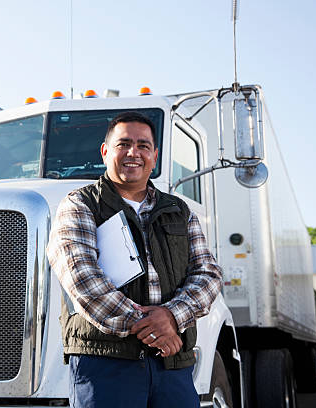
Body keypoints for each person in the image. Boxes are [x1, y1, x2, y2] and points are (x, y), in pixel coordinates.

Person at [46, 111, 222, 408]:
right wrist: (155, 328)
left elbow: (208, 274)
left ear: (154, 155)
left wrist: (170, 317)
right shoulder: (80, 204)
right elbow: (82, 279)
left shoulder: (180, 211)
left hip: (172, 364)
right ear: (105, 152)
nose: (133, 153)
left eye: (142, 146)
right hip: (106, 364)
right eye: (123, 144)